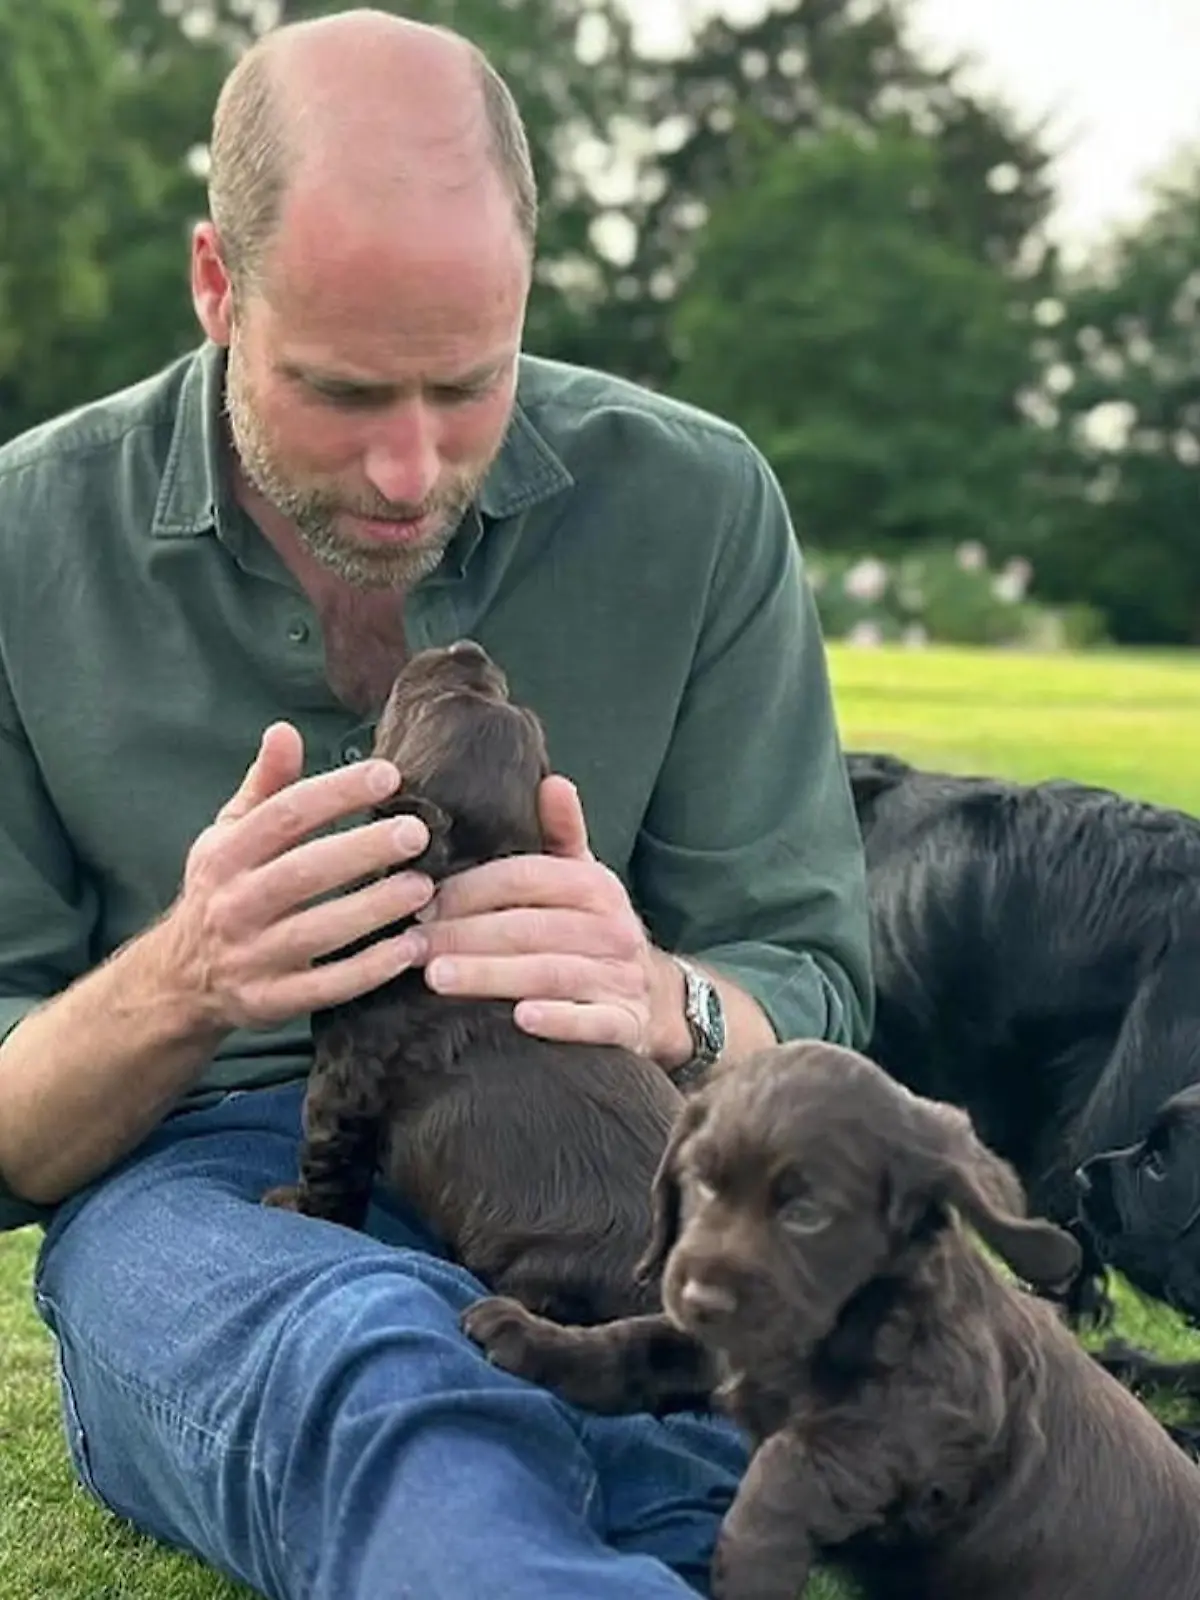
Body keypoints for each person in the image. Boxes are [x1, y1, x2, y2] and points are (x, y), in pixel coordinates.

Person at [0, 10, 873, 1598]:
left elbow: (808, 985)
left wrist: (665, 997)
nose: (410, 470)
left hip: (599, 1160)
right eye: (341, 394)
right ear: (215, 284)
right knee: (378, 1374)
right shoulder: (21, 541)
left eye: (468, 387)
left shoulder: (699, 501)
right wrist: (185, 978)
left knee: (677, 1435)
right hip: (214, 1180)